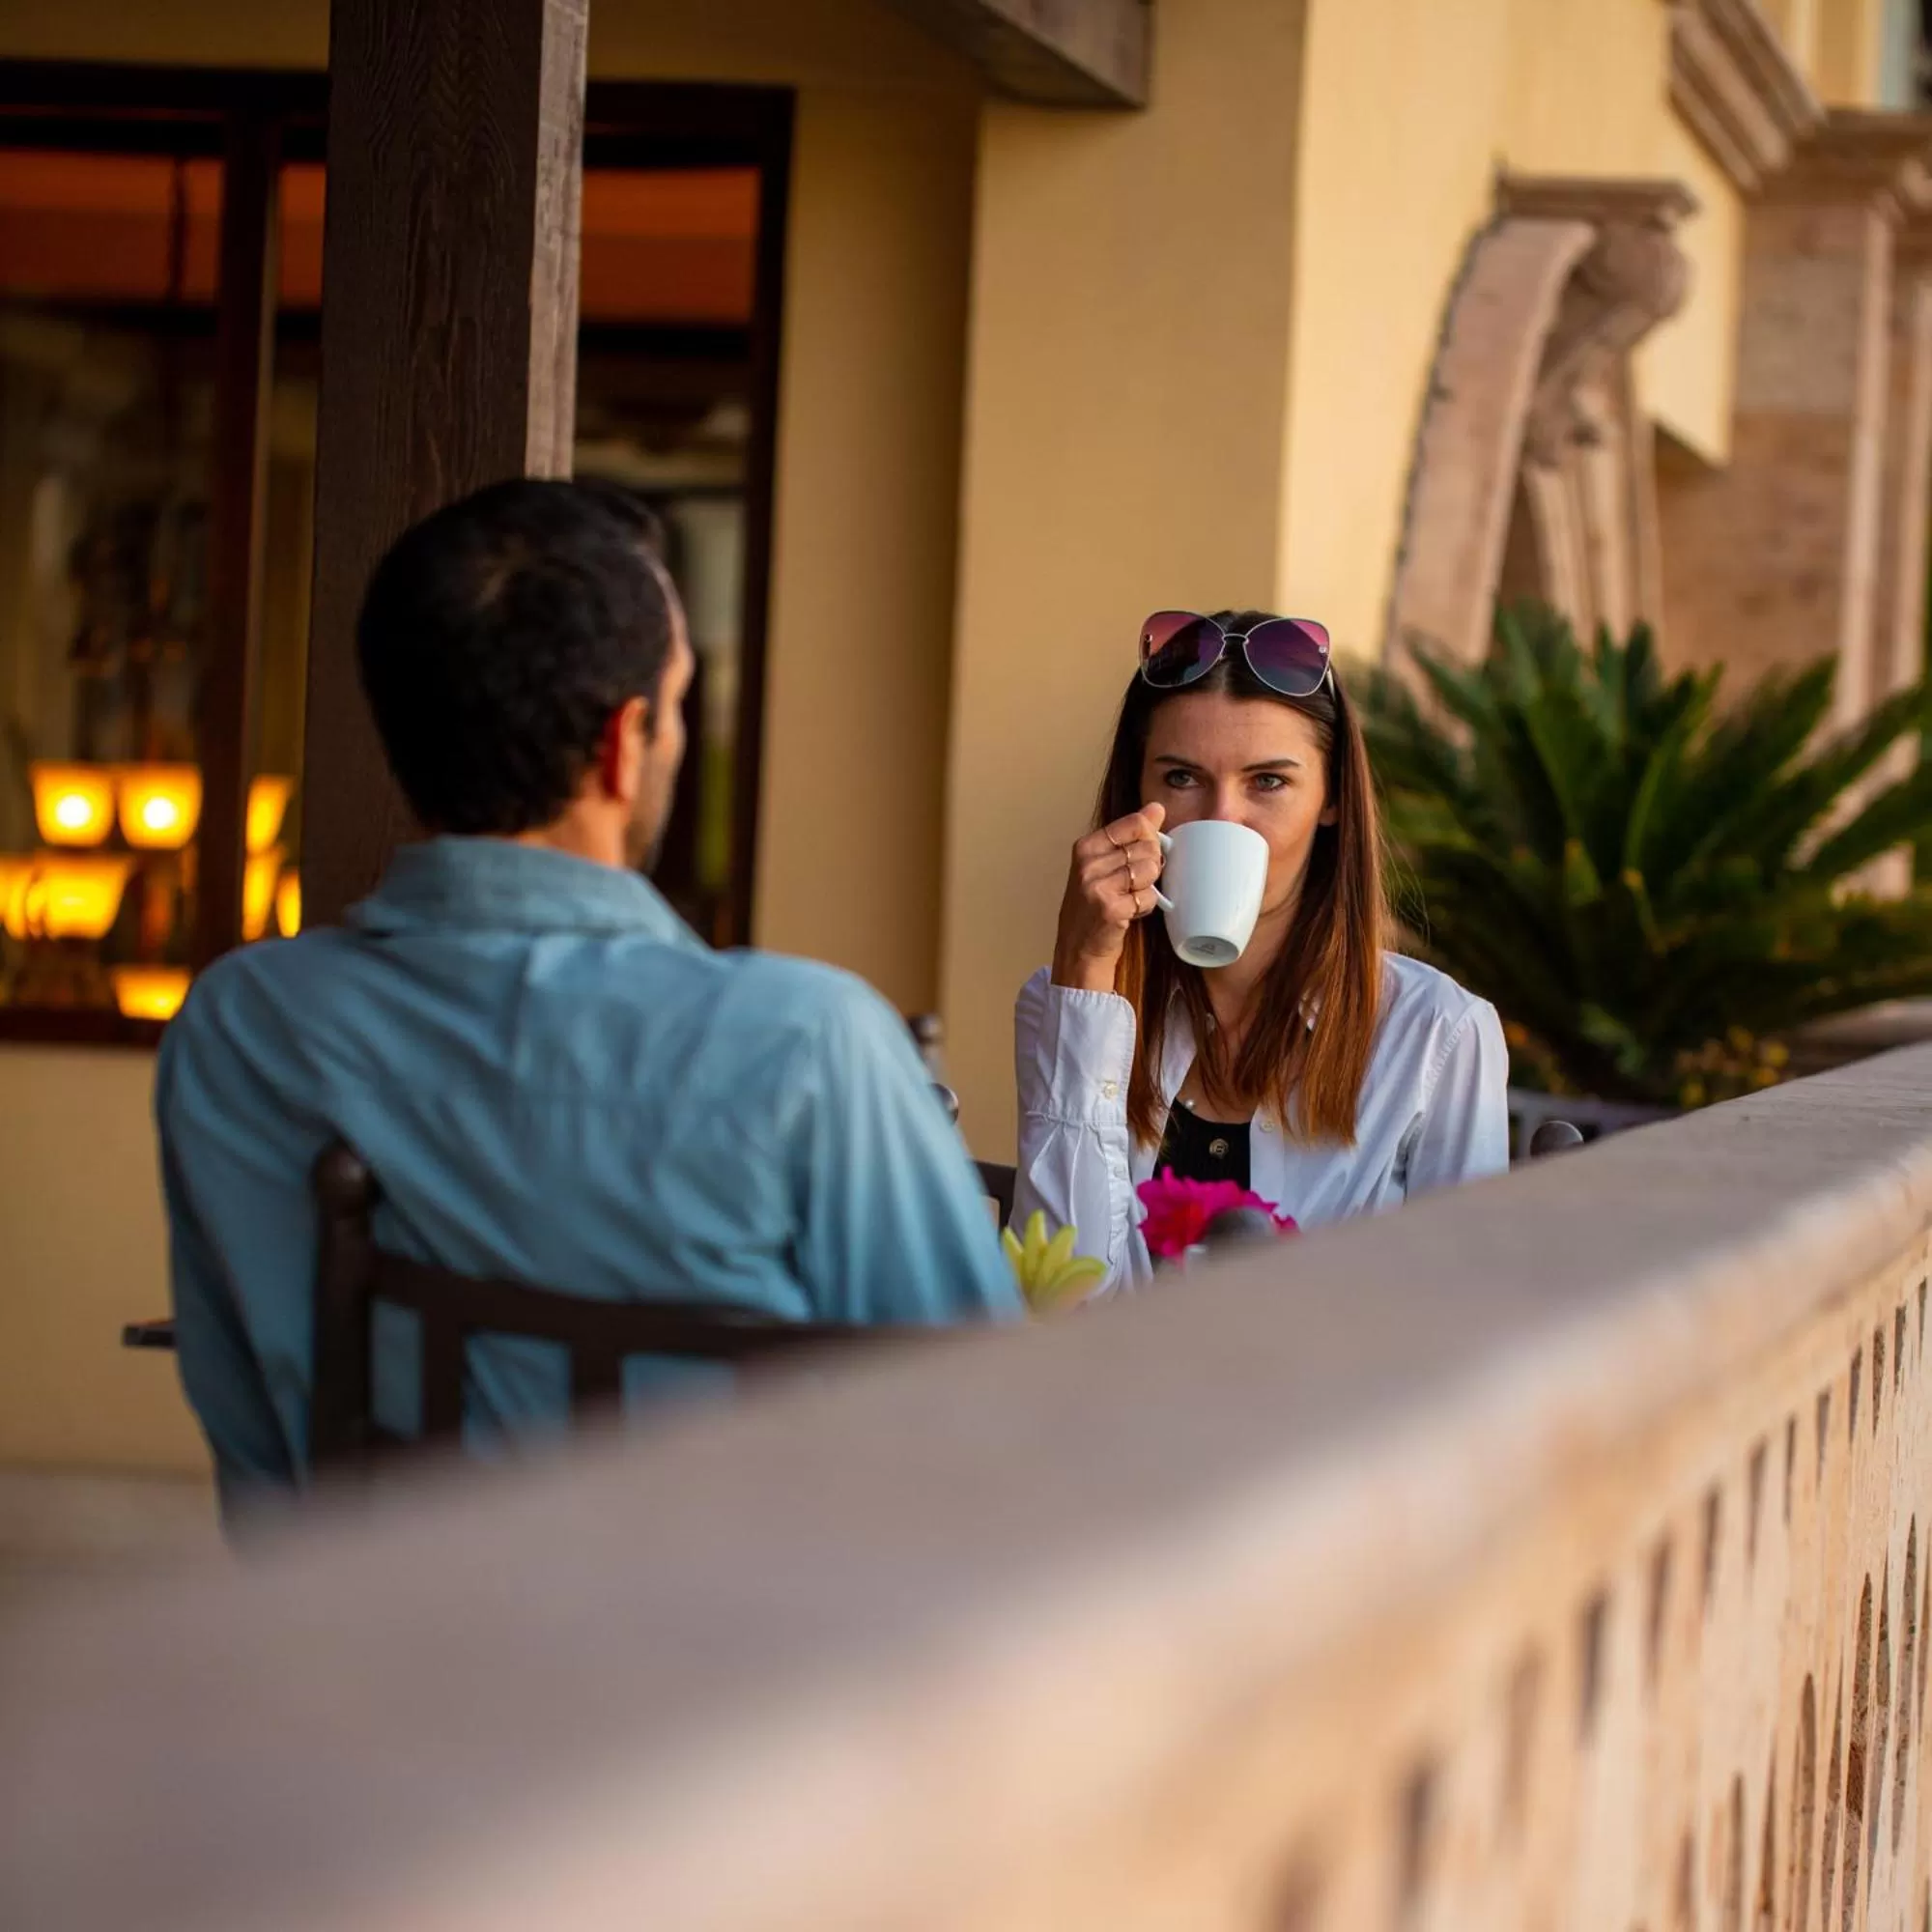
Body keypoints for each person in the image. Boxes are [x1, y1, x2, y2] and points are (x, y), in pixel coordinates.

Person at [157, 478, 1018, 1519]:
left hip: (362, 1654)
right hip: (730, 1665)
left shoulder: (241, 1026)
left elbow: (255, 1447)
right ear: (623, 742)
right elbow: (978, 1439)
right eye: (680, 701)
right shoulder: (806, 1043)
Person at [1015, 608, 1508, 1288]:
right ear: (1138, 794)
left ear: (1331, 799)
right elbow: (1059, 1296)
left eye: (1268, 782)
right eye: (1182, 778)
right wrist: (1085, 972)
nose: (1222, 818)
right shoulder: (1065, 1002)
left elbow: (1461, 1311)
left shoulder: (1436, 1036)